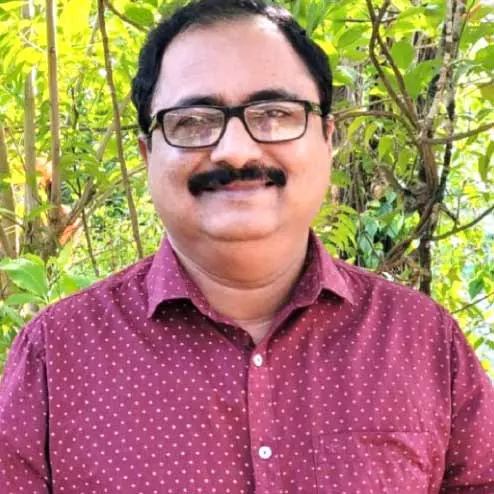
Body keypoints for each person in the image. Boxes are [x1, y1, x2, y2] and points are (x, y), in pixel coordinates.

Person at [1, 0, 493, 492]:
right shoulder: (56, 357)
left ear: (328, 138)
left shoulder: (424, 343)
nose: (235, 151)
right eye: (193, 121)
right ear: (148, 154)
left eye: (274, 114)